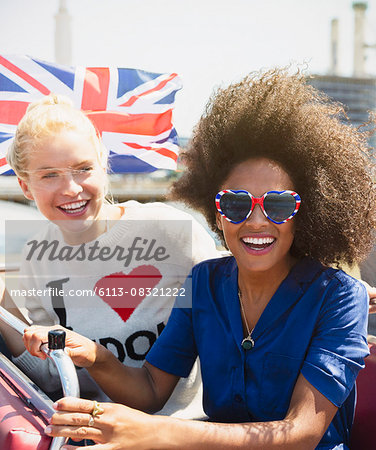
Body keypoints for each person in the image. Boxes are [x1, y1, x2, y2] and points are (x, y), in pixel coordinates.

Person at [22, 69, 375, 449]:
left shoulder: (339, 297)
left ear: (305, 212)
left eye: (278, 205)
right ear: (215, 210)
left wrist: (157, 432)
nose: (257, 221)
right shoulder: (203, 282)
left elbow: (300, 434)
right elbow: (151, 389)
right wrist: (94, 356)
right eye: (236, 203)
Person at [2, 94, 219, 418]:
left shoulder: (170, 231)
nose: (72, 188)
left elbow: (233, 321)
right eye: (49, 175)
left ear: (103, 165)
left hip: (189, 428)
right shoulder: (38, 258)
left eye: (83, 169)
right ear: (25, 186)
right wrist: (4, 300)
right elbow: (53, 375)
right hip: (99, 436)